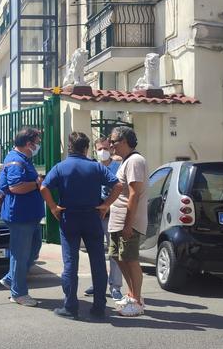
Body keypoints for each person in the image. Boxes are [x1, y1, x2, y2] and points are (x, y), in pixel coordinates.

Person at [40, 132, 122, 320]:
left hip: (69, 218)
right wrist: (106, 204)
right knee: (98, 262)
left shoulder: (61, 167)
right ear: (86, 148)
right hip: (92, 217)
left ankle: (70, 306)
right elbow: (117, 186)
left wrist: (53, 207)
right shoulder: (95, 167)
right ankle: (99, 306)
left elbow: (44, 187)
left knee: (70, 263)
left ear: (70, 147)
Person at [0, 127, 45, 307]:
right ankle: (19, 293)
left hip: (28, 215)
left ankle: (11, 278)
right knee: (20, 254)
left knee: (33, 248)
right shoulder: (15, 161)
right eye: (37, 143)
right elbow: (16, 187)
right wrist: (36, 183)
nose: (38, 146)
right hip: (20, 216)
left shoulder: (23, 159)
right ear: (28, 144)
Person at [108, 126, 147, 317]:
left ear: (124, 141)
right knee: (118, 257)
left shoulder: (135, 161)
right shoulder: (126, 161)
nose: (111, 144)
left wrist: (128, 224)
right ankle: (132, 295)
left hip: (127, 221)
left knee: (130, 259)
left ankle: (137, 301)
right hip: (118, 221)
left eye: (113, 141)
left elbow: (134, 195)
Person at [84, 137, 124, 301]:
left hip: (113, 213)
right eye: (99, 149)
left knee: (114, 251)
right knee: (96, 251)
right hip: (96, 214)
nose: (103, 152)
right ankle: (98, 283)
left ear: (111, 149)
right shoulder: (93, 167)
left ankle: (115, 286)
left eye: (105, 148)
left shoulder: (118, 166)